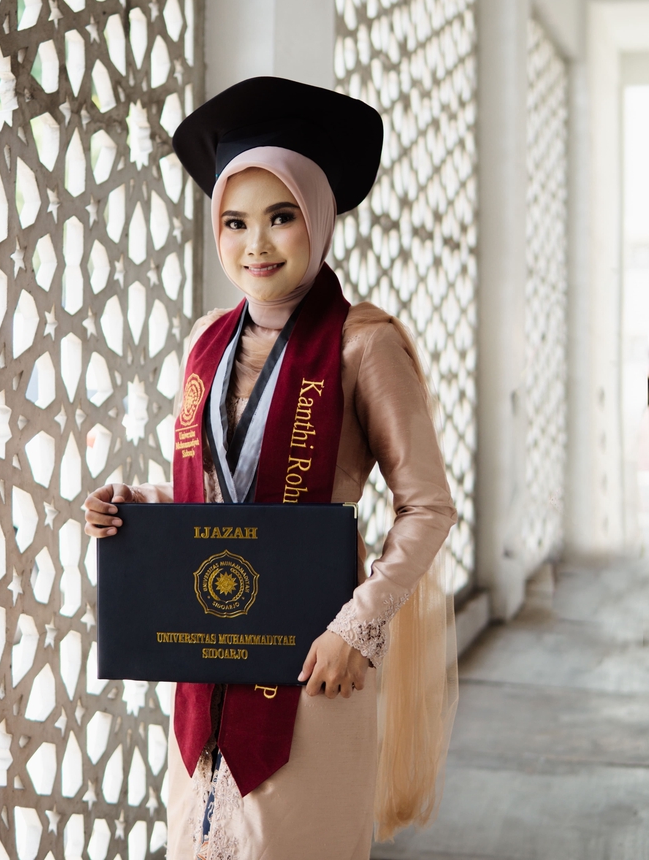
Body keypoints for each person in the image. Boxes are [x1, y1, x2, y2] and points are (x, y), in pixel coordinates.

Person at [84, 77, 458, 860]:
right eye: (235, 221)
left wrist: (357, 627)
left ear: (318, 221)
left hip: (315, 666)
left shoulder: (363, 344)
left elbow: (427, 507)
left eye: (281, 217)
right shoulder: (205, 340)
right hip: (204, 657)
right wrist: (137, 503)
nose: (256, 244)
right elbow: (213, 492)